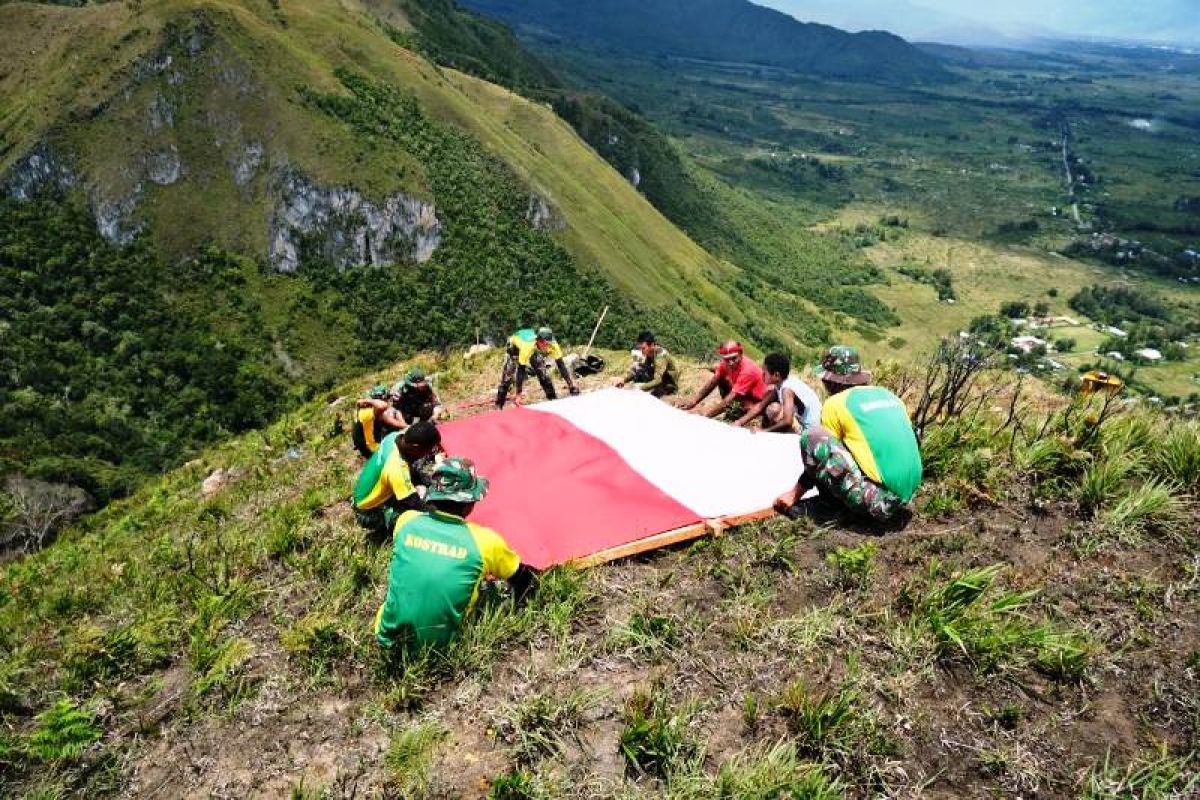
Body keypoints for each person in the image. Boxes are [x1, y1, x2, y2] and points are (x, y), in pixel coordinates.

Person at [374, 458, 531, 649]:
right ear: (470, 504)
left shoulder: (406, 522)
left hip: (387, 637)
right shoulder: (485, 541)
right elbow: (522, 577)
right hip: (443, 647)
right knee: (491, 590)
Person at [775, 346, 922, 524]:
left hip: (879, 503)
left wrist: (794, 493)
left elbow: (821, 453)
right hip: (909, 494)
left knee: (813, 436)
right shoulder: (889, 395)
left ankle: (829, 506)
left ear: (830, 381)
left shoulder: (835, 403)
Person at [352, 422, 442, 540]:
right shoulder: (396, 469)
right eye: (428, 450)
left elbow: (411, 470)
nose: (428, 453)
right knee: (413, 518)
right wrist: (438, 514)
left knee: (419, 479)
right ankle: (385, 530)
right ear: (415, 447)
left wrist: (427, 481)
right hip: (368, 510)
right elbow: (414, 503)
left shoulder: (394, 436)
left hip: (364, 492)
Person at [733, 353, 821, 432]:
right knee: (772, 406)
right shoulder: (780, 384)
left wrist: (765, 431)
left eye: (765, 373)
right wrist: (739, 422)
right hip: (805, 424)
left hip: (810, 431)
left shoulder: (787, 389)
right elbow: (760, 406)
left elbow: (787, 421)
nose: (762, 375)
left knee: (774, 410)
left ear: (776, 375)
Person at [495, 326, 580, 409]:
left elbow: (561, 365)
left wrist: (571, 386)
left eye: (548, 344)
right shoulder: (527, 346)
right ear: (539, 340)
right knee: (508, 376)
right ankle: (499, 404)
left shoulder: (553, 344)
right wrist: (518, 394)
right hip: (514, 348)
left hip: (533, 348)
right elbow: (521, 371)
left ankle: (552, 398)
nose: (547, 347)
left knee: (543, 373)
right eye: (545, 344)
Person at [681, 341, 767, 419]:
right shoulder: (725, 363)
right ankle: (732, 409)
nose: (731, 363)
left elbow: (730, 399)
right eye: (727, 359)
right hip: (744, 394)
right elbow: (713, 382)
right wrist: (694, 400)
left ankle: (738, 412)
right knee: (721, 379)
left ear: (741, 354)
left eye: (734, 358)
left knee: (743, 405)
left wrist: (705, 417)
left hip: (759, 401)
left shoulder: (748, 370)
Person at [614, 330, 679, 397]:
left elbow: (658, 380)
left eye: (643, 348)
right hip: (660, 377)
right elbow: (643, 367)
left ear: (652, 345)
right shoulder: (650, 352)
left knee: (650, 397)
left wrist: (640, 388)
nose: (642, 351)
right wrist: (624, 380)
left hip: (668, 383)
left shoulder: (660, 356)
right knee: (638, 370)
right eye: (641, 348)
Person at [352, 384, 407, 458]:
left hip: (364, 444)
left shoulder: (362, 409)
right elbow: (383, 407)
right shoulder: (371, 411)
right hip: (372, 447)